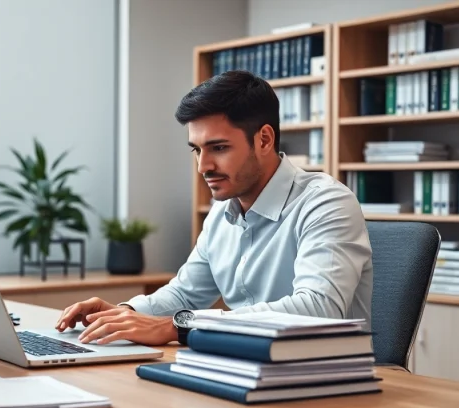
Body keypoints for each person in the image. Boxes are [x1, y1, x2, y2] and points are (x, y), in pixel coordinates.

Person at [55, 70, 373, 346]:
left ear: (264, 140)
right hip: (244, 367)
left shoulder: (327, 203)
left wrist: (178, 326)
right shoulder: (223, 211)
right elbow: (184, 295)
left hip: (326, 381)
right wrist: (125, 314)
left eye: (218, 148)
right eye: (197, 150)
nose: (203, 167)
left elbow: (318, 309)